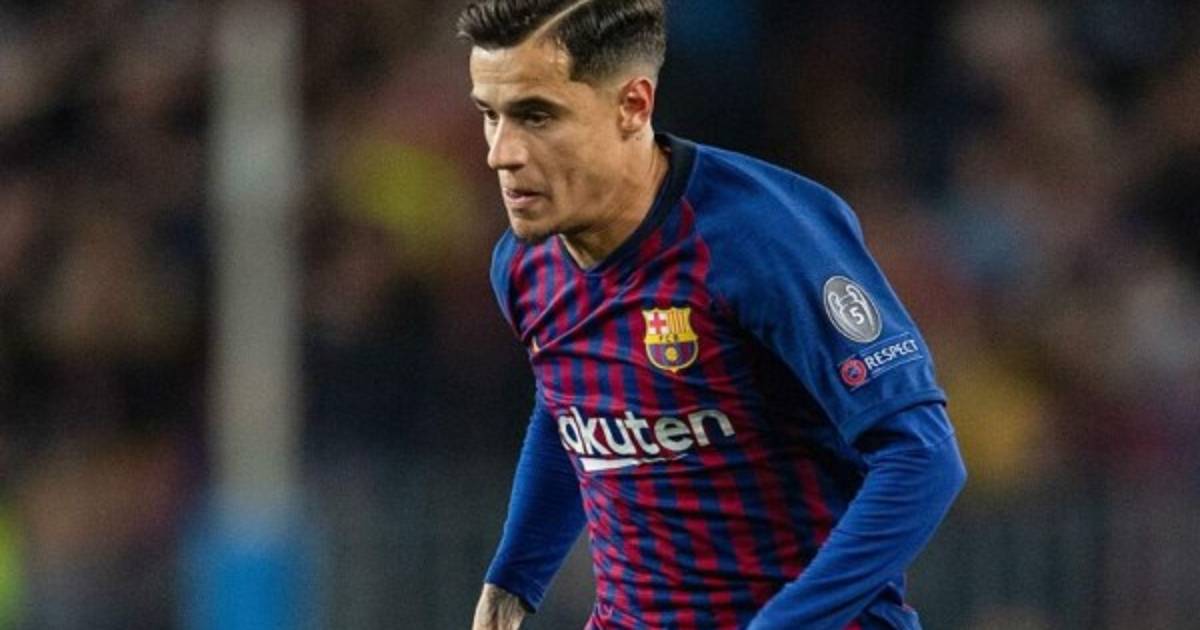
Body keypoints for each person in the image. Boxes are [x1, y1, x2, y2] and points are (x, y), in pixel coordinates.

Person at [459, 1, 966, 628]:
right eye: (490, 115)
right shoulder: (524, 265)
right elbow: (573, 407)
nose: (501, 153)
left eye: (537, 116)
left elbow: (923, 457)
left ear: (633, 105)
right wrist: (513, 580)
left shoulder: (760, 237)